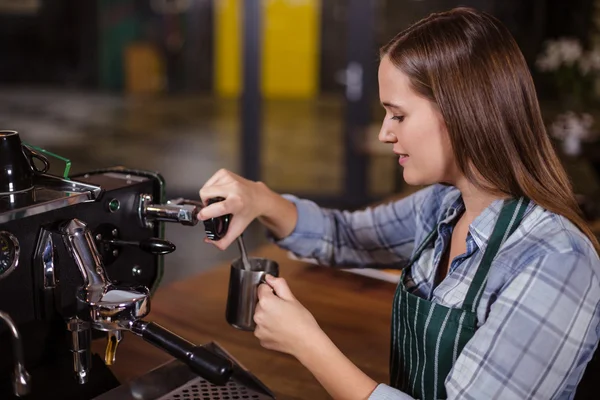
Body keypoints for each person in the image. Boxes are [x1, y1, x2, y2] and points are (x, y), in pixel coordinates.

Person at [198, 7, 600, 400]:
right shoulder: (443, 207)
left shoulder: (556, 260)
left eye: (398, 115)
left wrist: (309, 345)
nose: (384, 134)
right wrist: (260, 198)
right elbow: (345, 236)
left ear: (462, 113)